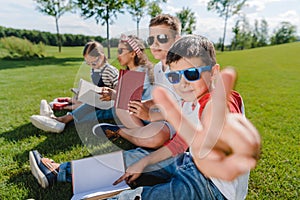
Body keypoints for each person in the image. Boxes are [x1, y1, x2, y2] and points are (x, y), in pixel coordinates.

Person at [29, 35, 261, 200]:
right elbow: (181, 143)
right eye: (174, 78)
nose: (183, 84)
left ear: (215, 72)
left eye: (191, 73)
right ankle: (59, 172)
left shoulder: (220, 101)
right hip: (189, 163)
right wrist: (145, 162)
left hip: (212, 188)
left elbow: (220, 121)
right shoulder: (190, 99)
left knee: (138, 197)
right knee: (134, 158)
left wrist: (222, 135)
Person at [94, 14, 182, 149]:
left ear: (177, 40)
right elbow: (157, 99)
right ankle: (141, 136)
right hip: (156, 116)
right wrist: (143, 105)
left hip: (175, 122)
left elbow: (181, 112)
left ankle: (121, 131)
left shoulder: (181, 69)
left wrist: (149, 115)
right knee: (122, 108)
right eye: (151, 39)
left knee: (156, 136)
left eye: (162, 38)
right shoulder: (158, 68)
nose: (155, 44)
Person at [30, 41, 119, 133]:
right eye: (88, 63)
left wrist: (110, 93)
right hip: (99, 101)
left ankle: (60, 121)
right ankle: (57, 120)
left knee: (94, 113)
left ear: (101, 56)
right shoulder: (94, 69)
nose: (92, 66)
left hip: (111, 103)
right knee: (86, 106)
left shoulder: (110, 71)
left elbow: (119, 89)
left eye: (93, 63)